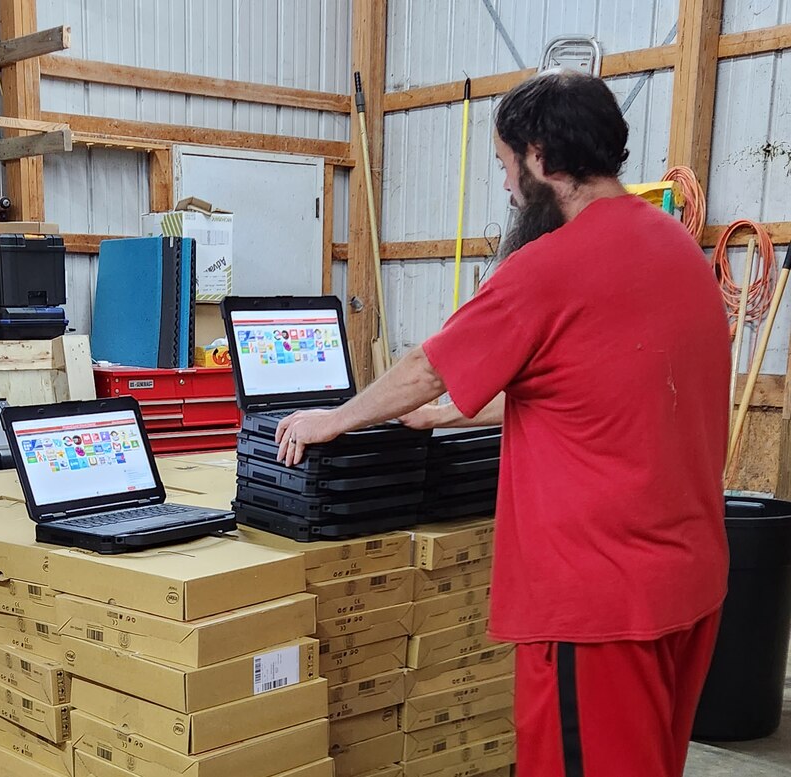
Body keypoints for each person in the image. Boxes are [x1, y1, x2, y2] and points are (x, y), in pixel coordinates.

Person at [275, 70, 730, 777]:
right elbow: (596, 385)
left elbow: (428, 364)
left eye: (505, 167)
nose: (510, 190)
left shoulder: (547, 266)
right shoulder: (677, 251)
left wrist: (336, 417)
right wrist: (452, 413)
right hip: (687, 584)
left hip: (599, 608)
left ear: (541, 155)